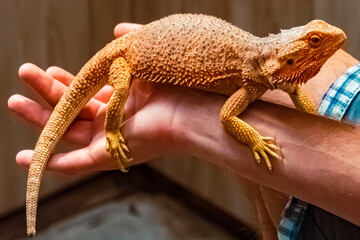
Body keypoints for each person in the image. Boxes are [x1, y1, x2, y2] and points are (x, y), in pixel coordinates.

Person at [8, 23, 360, 239]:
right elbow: (227, 117)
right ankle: (114, 129)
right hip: (126, 58)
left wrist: (311, 121)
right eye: (313, 41)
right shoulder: (257, 76)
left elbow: (295, 90)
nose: (329, 42)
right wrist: (254, 138)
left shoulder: (269, 74)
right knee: (118, 94)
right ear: (288, 55)